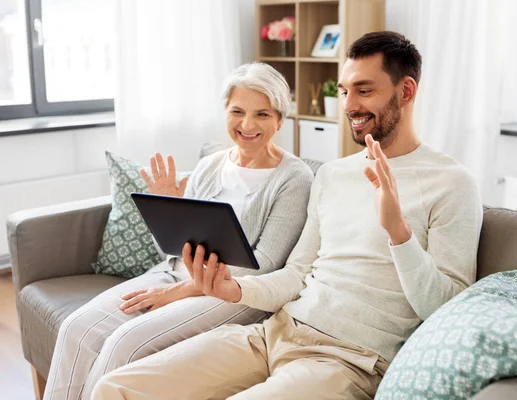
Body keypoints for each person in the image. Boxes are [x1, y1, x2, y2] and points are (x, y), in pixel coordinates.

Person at [91, 31, 483, 400]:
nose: (348, 106)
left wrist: (398, 233)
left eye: (364, 90)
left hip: (350, 359)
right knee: (116, 389)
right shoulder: (332, 174)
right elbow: (297, 275)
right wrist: (233, 289)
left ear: (407, 90)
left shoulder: (451, 183)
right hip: (275, 332)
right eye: (345, 91)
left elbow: (445, 309)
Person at [43, 62, 314, 400]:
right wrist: (170, 211)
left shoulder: (294, 177)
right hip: (174, 276)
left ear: (279, 118)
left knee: (124, 344)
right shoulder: (210, 165)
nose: (247, 124)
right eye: (237, 111)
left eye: (262, 114)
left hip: (236, 294)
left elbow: (264, 264)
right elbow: (173, 251)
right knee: (76, 329)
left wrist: (176, 293)